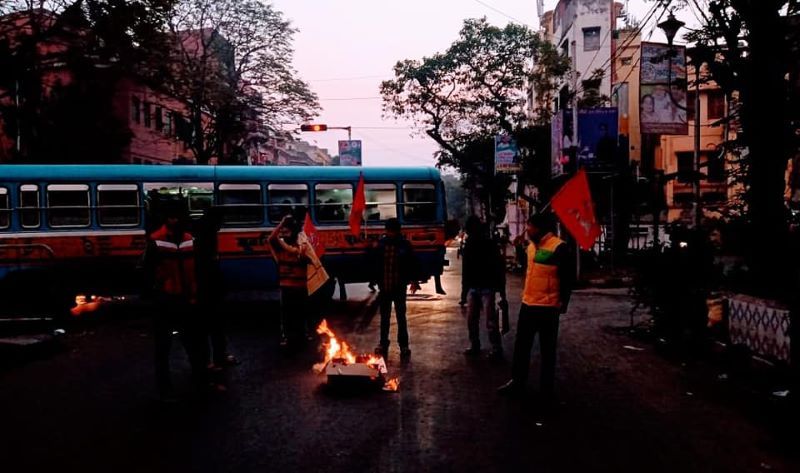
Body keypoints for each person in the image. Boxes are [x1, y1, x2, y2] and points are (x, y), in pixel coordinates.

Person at [498, 213, 573, 400]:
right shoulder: (531, 247)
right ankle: (517, 381)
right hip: (528, 304)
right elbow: (529, 267)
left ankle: (546, 389)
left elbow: (567, 279)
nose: (527, 229)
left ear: (540, 228)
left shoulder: (559, 247)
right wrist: (517, 249)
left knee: (548, 350)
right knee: (521, 346)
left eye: (530, 226)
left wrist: (563, 302)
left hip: (548, 307)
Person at [143, 203, 209, 401]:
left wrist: (196, 294)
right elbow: (147, 272)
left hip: (186, 299)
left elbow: (197, 269)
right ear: (166, 219)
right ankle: (165, 389)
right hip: (166, 300)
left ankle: (200, 383)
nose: (176, 221)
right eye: (172, 217)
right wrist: (155, 294)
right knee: (164, 348)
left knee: (193, 344)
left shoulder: (190, 240)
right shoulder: (155, 241)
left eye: (178, 217)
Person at [193, 206, 237, 371]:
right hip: (208, 291)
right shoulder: (207, 236)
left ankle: (212, 360)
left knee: (209, 329)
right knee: (211, 328)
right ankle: (212, 361)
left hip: (205, 290)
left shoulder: (200, 231)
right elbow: (209, 266)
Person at [372, 218, 419, 361]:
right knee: (384, 318)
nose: (390, 233)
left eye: (392, 230)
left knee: (401, 317)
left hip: (399, 287)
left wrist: (413, 281)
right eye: (389, 230)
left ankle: (404, 346)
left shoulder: (405, 245)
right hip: (385, 287)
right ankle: (383, 344)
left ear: (397, 231)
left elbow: (411, 264)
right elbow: (374, 264)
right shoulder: (380, 245)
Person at [461, 216, 506, 360]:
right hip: (485, 286)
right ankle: (493, 347)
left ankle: (479, 345)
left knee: (476, 319)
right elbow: (499, 267)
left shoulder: (472, 244)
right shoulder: (489, 243)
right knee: (488, 319)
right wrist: (501, 289)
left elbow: (466, 269)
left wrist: (464, 290)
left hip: (480, 286)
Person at [269, 215, 310, 351]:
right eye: (283, 232)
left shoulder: (299, 247)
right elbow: (271, 239)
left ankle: (301, 335)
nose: (284, 234)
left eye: (287, 232)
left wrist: (281, 241)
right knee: (287, 315)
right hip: (286, 286)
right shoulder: (279, 249)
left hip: (299, 286)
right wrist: (281, 223)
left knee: (300, 313)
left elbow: (296, 251)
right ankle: (287, 336)